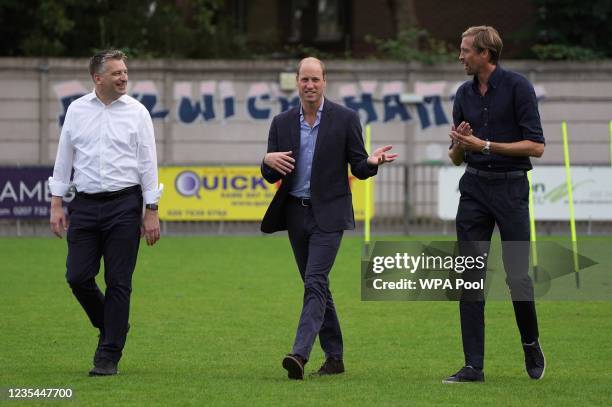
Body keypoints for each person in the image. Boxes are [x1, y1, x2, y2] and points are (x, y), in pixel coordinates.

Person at [261, 57, 397, 380]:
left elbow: (359, 168)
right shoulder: (281, 123)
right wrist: (265, 159)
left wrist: (372, 162)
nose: (310, 85)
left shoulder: (346, 119)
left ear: (325, 81)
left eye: (315, 80)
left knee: (315, 282)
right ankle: (334, 357)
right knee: (317, 286)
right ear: (296, 81)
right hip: (295, 214)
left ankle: (299, 354)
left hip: (330, 215)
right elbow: (270, 174)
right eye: (304, 79)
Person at [49, 49, 162, 376]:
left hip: (124, 206)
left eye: (125, 72)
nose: (124, 77)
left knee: (118, 281)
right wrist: (56, 203)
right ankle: (112, 325)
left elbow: (148, 164)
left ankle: (108, 355)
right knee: (78, 276)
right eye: (117, 73)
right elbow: (64, 158)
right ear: (98, 78)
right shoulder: (76, 110)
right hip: (83, 204)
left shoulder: (138, 112)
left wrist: (151, 209)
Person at [445, 26, 546, 383]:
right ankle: (473, 366)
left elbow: (536, 146)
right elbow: (456, 156)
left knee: (517, 275)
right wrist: (460, 143)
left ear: (485, 54)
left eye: (465, 50)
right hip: (473, 189)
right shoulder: (462, 94)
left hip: (511, 190)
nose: (460, 56)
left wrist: (484, 144)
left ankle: (530, 343)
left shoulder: (519, 87)